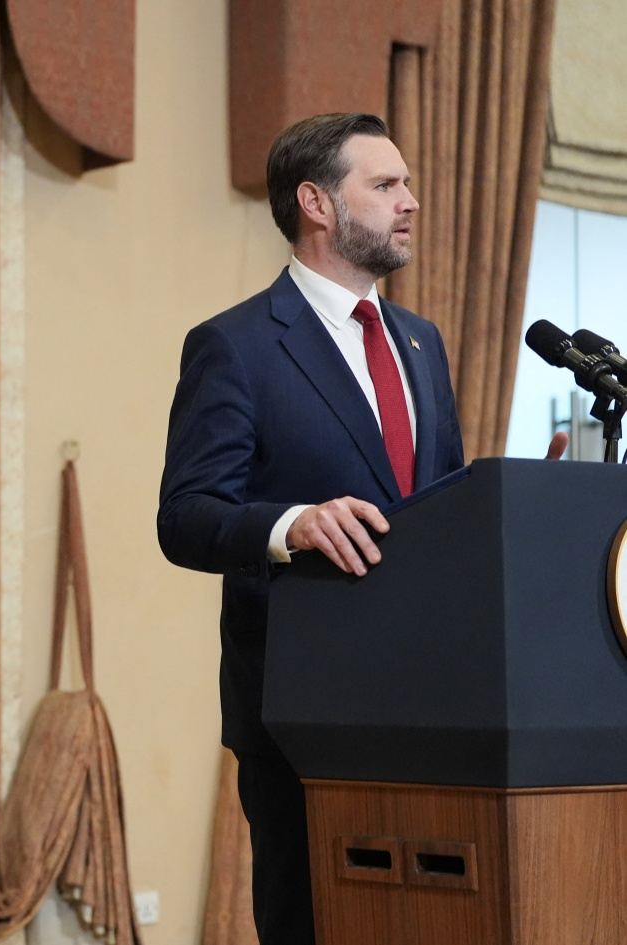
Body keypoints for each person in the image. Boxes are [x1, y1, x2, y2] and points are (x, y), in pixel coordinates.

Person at [157, 112, 568, 944]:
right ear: (316, 203)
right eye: (385, 185)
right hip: (302, 709)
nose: (410, 201)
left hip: (431, 704)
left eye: (406, 183)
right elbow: (185, 515)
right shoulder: (237, 346)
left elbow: (435, 508)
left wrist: (520, 503)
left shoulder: (421, 343)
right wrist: (294, 523)